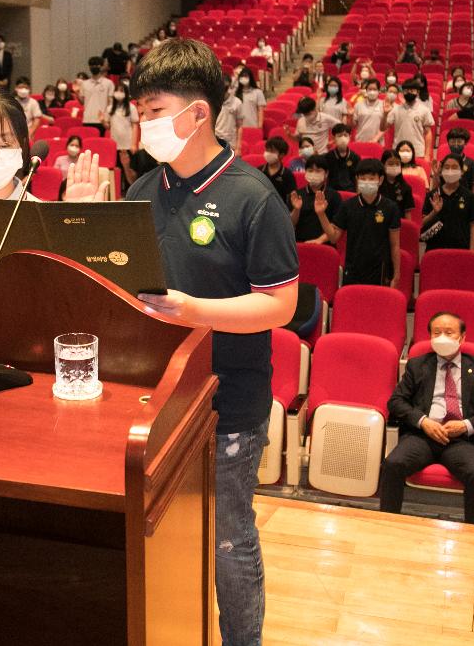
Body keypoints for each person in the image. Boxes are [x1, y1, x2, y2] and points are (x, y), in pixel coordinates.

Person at [124, 38, 299, 646]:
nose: (142, 123)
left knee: (228, 539)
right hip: (154, 398)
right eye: (138, 111)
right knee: (156, 535)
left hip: (229, 399)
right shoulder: (142, 190)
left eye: (153, 110)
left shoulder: (253, 197)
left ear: (197, 114)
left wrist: (194, 310)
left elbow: (281, 304)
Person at [381, 313, 474, 525]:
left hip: (461, 440)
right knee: (393, 464)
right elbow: (396, 402)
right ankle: (386, 524)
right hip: (423, 436)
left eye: (449, 333)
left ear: (462, 337)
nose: (442, 338)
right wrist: (423, 421)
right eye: (436, 333)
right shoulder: (417, 365)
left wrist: (466, 425)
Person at [328, 159, 402, 287]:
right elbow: (333, 238)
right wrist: (321, 214)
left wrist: (396, 274)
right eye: (363, 178)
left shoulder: (390, 207)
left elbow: (395, 245)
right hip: (353, 268)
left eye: (372, 178)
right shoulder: (347, 206)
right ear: (357, 179)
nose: (367, 182)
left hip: (380, 270)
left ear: (381, 179)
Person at [422, 154, 474, 251]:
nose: (450, 171)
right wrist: (434, 212)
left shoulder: (470, 196)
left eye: (454, 167)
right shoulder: (433, 195)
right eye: (446, 167)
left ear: (462, 171)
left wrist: (472, 252)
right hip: (435, 250)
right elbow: (422, 223)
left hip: (461, 250)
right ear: (441, 171)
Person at [290, 157, 340, 244]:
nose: (313, 174)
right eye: (310, 170)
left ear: (326, 173)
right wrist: (296, 209)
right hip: (299, 243)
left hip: (324, 244)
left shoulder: (334, 196)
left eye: (318, 171)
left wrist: (319, 240)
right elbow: (290, 225)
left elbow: (336, 228)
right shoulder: (296, 195)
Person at [383, 79, 435, 157]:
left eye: (412, 90)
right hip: (398, 151)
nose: (409, 93)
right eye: (406, 90)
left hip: (418, 152)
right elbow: (383, 127)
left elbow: (428, 133)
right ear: (402, 92)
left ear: (417, 92)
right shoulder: (395, 109)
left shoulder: (424, 110)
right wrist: (385, 114)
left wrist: (427, 155)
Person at [109, 84, 141, 171]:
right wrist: (102, 121)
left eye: (121, 91)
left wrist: (134, 144)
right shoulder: (110, 108)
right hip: (115, 143)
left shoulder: (131, 108)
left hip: (127, 144)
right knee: (117, 170)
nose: (118, 93)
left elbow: (135, 126)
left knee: (129, 169)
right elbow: (108, 126)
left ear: (126, 93)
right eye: (117, 90)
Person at [80, 58, 115, 136]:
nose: (94, 67)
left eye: (97, 65)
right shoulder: (84, 83)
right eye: (92, 65)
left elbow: (110, 102)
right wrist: (76, 92)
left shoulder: (108, 83)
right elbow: (82, 102)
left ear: (101, 67)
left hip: (102, 120)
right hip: (87, 119)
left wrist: (107, 119)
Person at [258, 136, 297, 204]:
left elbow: (292, 199)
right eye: (267, 150)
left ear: (281, 155)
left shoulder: (287, 174)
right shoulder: (259, 171)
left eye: (272, 151)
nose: (268, 153)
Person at [380, 149, 416, 219]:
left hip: (398, 224)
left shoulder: (406, 188)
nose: (394, 166)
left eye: (397, 164)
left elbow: (407, 214)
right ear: (383, 165)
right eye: (390, 164)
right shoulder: (377, 185)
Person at [324, 123, 360, 192]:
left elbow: (357, 179)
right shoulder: (327, 157)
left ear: (349, 137)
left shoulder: (355, 157)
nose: (343, 138)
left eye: (345, 135)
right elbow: (325, 178)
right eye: (339, 136)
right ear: (334, 138)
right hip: (332, 192)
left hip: (350, 192)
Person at [352, 78, 385, 143]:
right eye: (370, 89)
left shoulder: (384, 105)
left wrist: (376, 139)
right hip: (360, 141)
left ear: (379, 91)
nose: (372, 92)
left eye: (374, 89)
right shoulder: (358, 105)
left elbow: (385, 127)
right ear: (366, 91)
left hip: (378, 142)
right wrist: (350, 116)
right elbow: (353, 125)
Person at [215, 78, 244, 149]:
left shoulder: (237, 103)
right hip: (215, 142)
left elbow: (240, 126)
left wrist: (238, 147)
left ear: (227, 89)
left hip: (231, 144)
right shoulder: (213, 101)